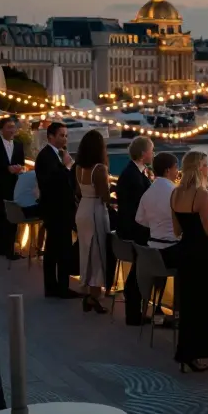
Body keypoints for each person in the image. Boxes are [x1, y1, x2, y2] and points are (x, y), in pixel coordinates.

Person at [170, 151, 208, 373]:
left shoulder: (175, 193)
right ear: (199, 168)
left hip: (184, 252)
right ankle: (194, 354)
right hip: (202, 253)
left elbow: (176, 230)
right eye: (206, 165)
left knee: (188, 304)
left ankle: (185, 353)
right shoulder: (203, 195)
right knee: (202, 304)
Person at [133, 152, 182, 324]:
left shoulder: (148, 192)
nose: (178, 172)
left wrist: (156, 225)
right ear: (168, 170)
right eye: (177, 168)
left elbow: (139, 219)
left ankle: (161, 310)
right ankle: (179, 314)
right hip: (169, 253)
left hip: (151, 253)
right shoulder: (175, 192)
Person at [35, 122, 78, 298]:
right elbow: (52, 183)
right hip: (56, 210)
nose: (64, 139)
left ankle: (55, 286)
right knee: (59, 249)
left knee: (55, 249)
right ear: (50, 136)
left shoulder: (58, 155)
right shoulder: (46, 156)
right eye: (61, 135)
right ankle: (59, 287)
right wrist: (67, 167)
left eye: (66, 135)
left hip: (61, 209)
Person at [73, 130, 112, 314]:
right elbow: (104, 196)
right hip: (95, 211)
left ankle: (89, 289)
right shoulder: (100, 169)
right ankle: (94, 295)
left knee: (86, 251)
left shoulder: (79, 167)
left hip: (82, 209)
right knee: (97, 252)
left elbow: (79, 191)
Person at [117, 137, 155, 325]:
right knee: (139, 271)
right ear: (142, 154)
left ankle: (137, 310)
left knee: (138, 270)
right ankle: (134, 312)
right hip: (134, 231)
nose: (153, 153)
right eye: (151, 150)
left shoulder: (134, 173)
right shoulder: (134, 177)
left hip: (128, 228)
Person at [0, 116, 25, 260]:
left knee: (12, 216)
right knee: (3, 216)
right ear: (1, 129)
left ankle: (10, 247)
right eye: (8, 127)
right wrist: (7, 169)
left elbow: (20, 162)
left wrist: (18, 168)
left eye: (13, 127)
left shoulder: (19, 145)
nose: (12, 130)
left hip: (14, 185)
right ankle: (1, 247)